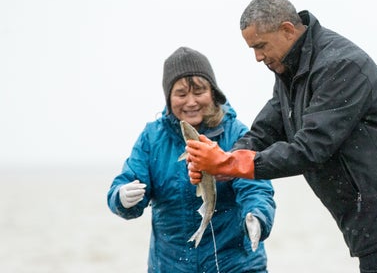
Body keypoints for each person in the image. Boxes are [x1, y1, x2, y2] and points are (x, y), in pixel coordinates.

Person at [185, 0, 377, 272]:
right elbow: (267, 129)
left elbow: (311, 149)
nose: (257, 57)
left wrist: (230, 164)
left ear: (287, 30)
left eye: (260, 46)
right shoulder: (291, 68)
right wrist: (225, 160)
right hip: (366, 210)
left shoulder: (341, 66)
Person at [107, 46, 276, 273]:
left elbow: (255, 187)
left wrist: (258, 216)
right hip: (170, 265)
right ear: (169, 98)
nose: (191, 102)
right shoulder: (152, 139)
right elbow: (127, 183)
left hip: (236, 265)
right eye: (181, 94)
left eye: (199, 91)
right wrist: (121, 197)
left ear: (213, 92)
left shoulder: (236, 134)